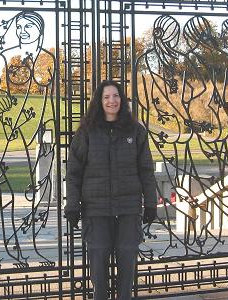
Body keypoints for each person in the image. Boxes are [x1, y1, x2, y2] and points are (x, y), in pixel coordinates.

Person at [65, 80, 158, 300]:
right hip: (95, 210)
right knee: (98, 264)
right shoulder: (86, 132)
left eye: (115, 96)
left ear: (121, 99)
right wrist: (72, 205)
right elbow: (73, 172)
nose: (111, 101)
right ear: (99, 101)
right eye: (106, 97)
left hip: (128, 209)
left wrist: (151, 203)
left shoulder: (136, 131)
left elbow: (146, 170)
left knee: (127, 259)